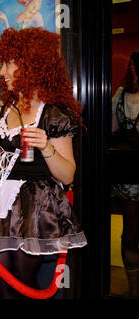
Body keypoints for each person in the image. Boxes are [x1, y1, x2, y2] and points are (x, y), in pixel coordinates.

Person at [0, 27, 87, 299]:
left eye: (9, 63)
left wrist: (45, 146)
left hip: (34, 210)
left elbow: (68, 174)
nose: (2, 72)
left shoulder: (54, 113)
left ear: (31, 65)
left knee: (22, 282)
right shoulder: (6, 107)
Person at [111, 51, 139, 298]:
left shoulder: (119, 95)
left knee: (130, 229)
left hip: (127, 171)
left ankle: (133, 287)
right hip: (132, 173)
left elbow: (112, 129)